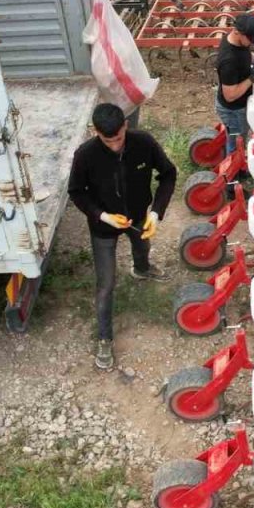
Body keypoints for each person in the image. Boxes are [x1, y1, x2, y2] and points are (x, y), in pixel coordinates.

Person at [67, 103, 177, 371]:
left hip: (139, 216)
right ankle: (105, 337)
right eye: (108, 141)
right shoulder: (85, 155)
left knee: (142, 246)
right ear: (96, 132)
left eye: (119, 138)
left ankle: (142, 269)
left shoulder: (144, 143)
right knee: (106, 284)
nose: (115, 145)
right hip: (103, 226)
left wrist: (155, 214)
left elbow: (168, 174)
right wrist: (102, 215)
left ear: (126, 125)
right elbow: (76, 192)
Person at [216, 13, 254, 156]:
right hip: (233, 109)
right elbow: (230, 96)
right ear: (238, 32)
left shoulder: (236, 40)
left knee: (238, 134)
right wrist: (252, 78)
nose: (251, 43)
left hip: (240, 103)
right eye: (250, 39)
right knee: (237, 139)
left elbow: (245, 54)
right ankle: (234, 167)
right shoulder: (228, 61)